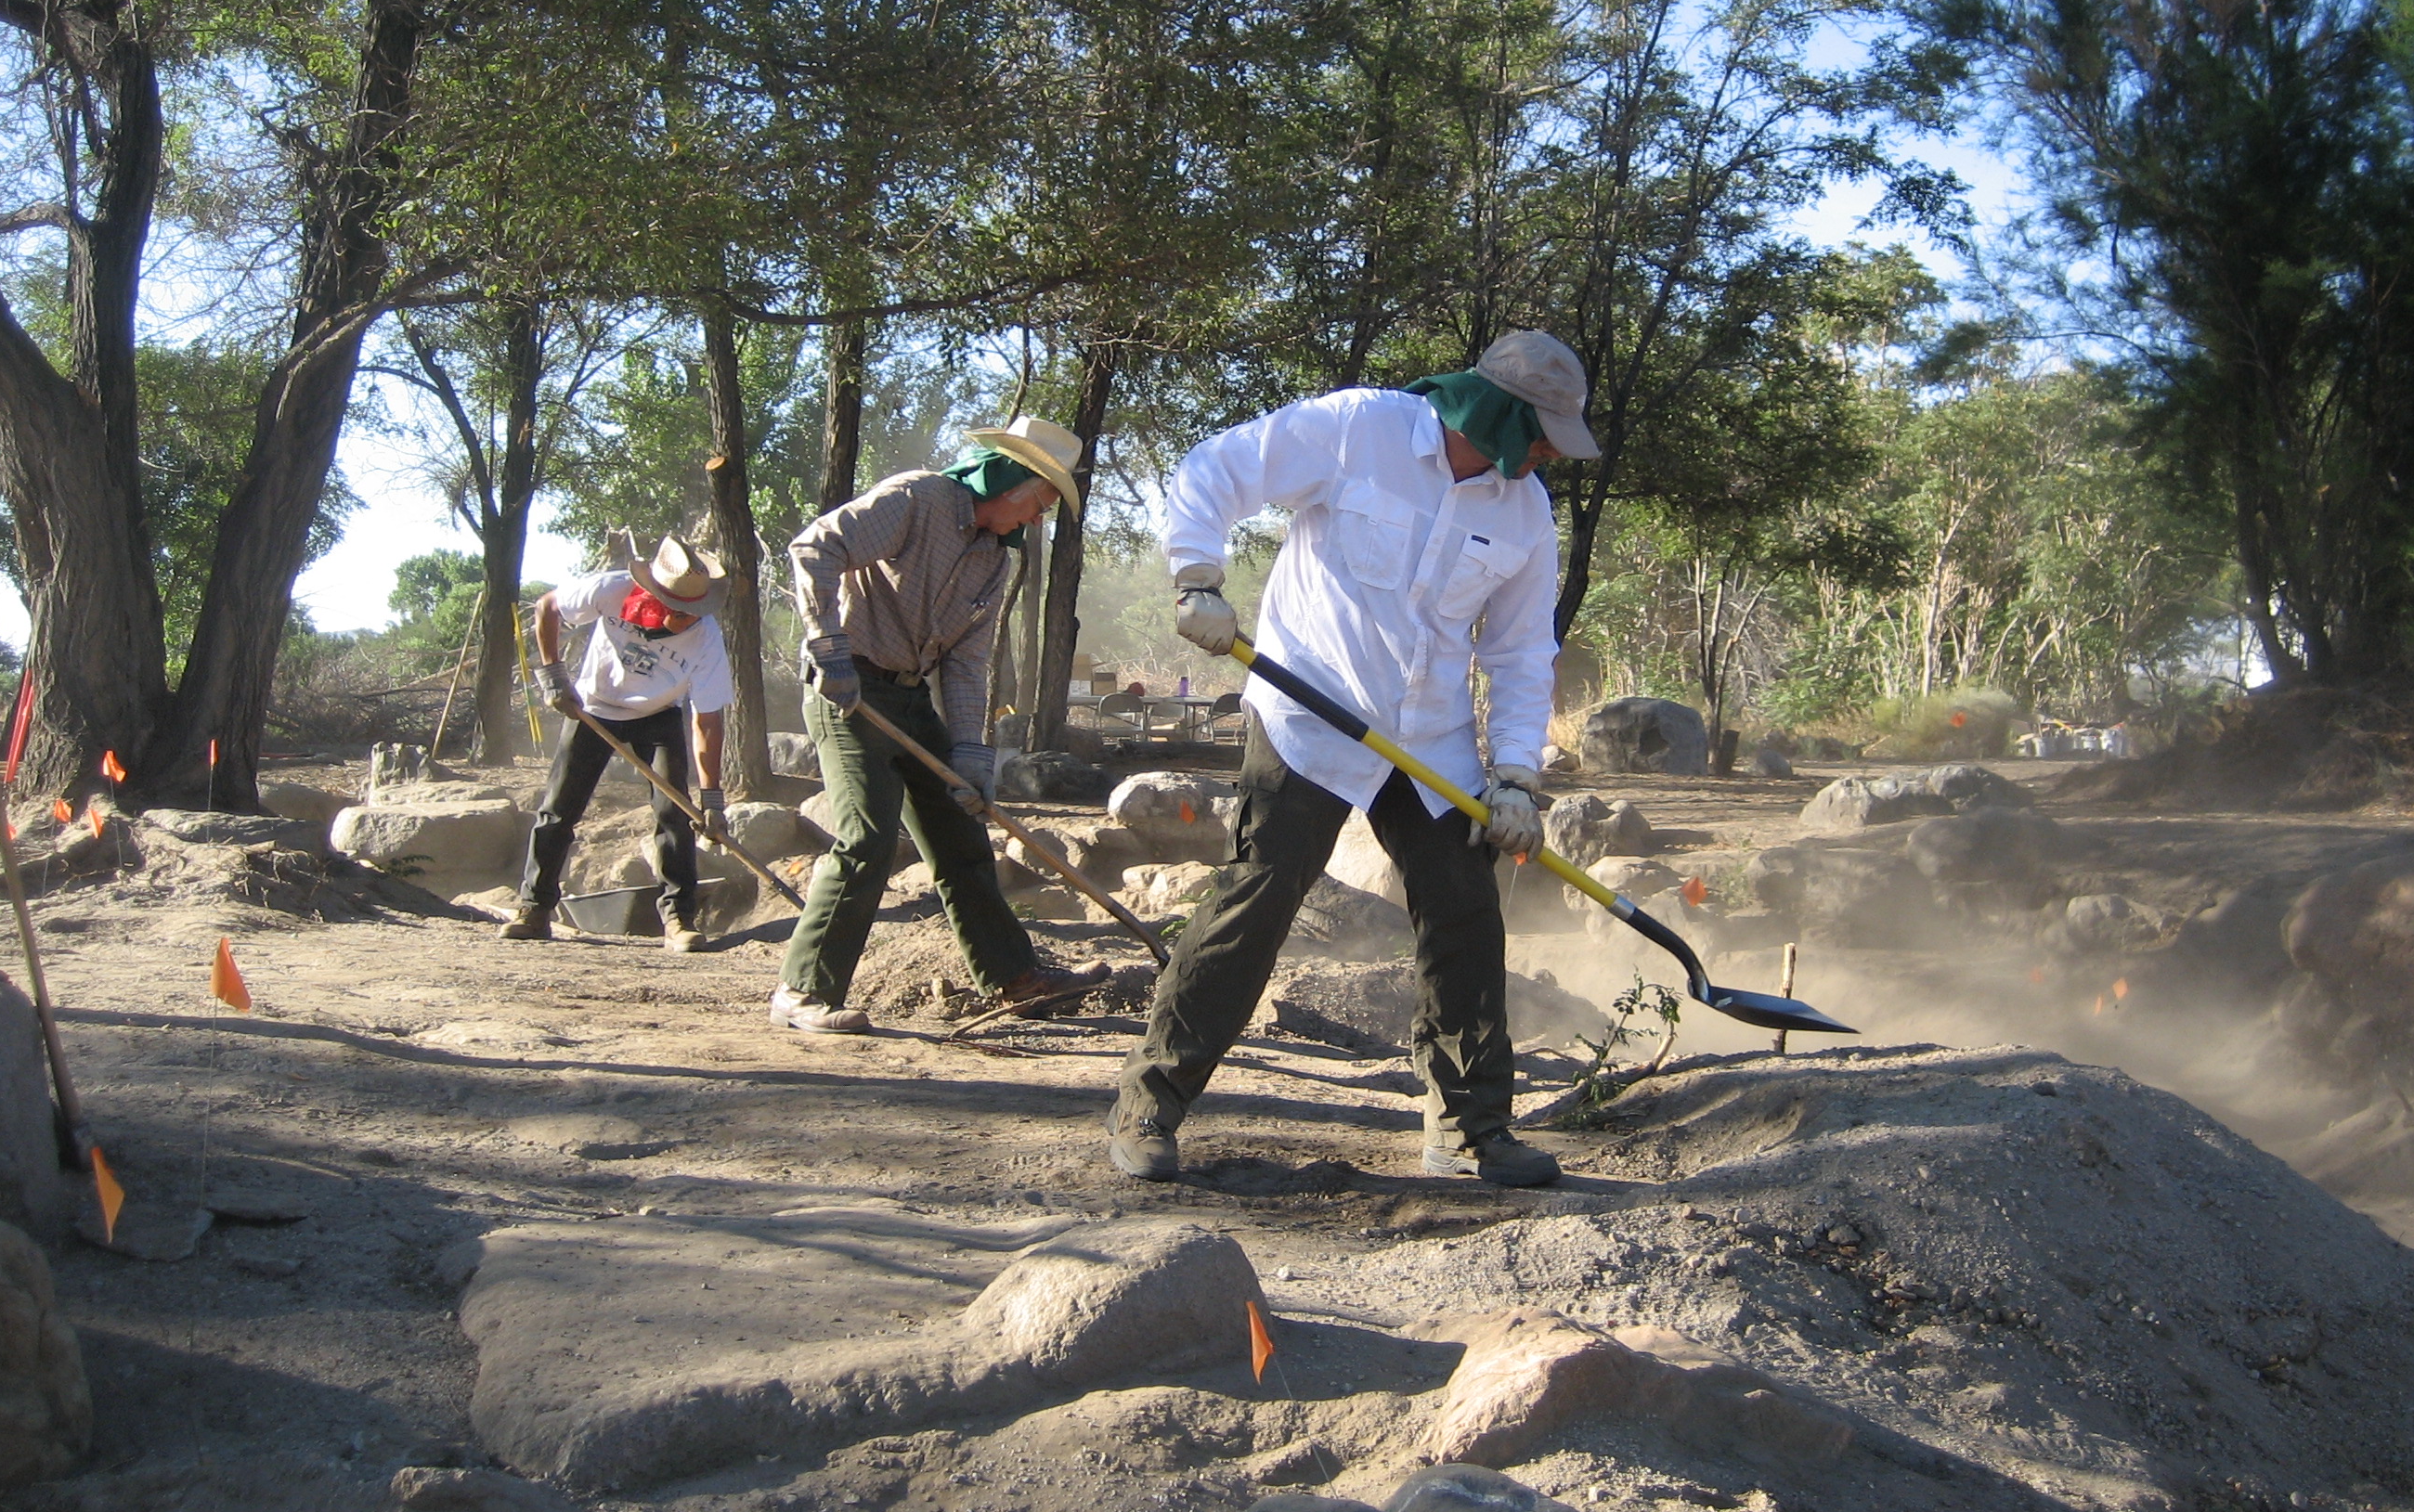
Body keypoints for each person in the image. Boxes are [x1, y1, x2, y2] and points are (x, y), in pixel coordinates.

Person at [1107, 330, 1601, 1187]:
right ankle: (1150, 1104)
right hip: (1308, 708)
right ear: (1499, 414)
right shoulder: (1358, 427)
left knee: (1465, 912)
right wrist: (1197, 577)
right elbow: (1215, 471)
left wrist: (1518, 773)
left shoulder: (1524, 511)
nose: (1553, 451)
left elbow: (1522, 655)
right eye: (1546, 431)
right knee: (1260, 895)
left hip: (1427, 739)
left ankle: (1469, 1129)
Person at [772, 419, 1108, 1033]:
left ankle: (1015, 977)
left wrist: (972, 757)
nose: (1037, 521)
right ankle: (802, 992)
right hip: (847, 693)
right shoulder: (916, 499)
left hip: (906, 699)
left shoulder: (991, 563)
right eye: (1040, 503)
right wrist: (827, 644)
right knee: (867, 835)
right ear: (1012, 481)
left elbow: (966, 664)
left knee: (959, 834)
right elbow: (814, 548)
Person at [500, 536, 735, 953]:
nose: (690, 620)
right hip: (593, 709)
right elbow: (548, 606)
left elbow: (708, 720)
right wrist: (554, 678)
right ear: (655, 595)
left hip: (660, 715)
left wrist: (713, 800)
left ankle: (679, 918)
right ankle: (534, 909)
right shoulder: (610, 589)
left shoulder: (707, 639)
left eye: (696, 611)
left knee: (674, 813)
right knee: (558, 810)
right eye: (681, 612)